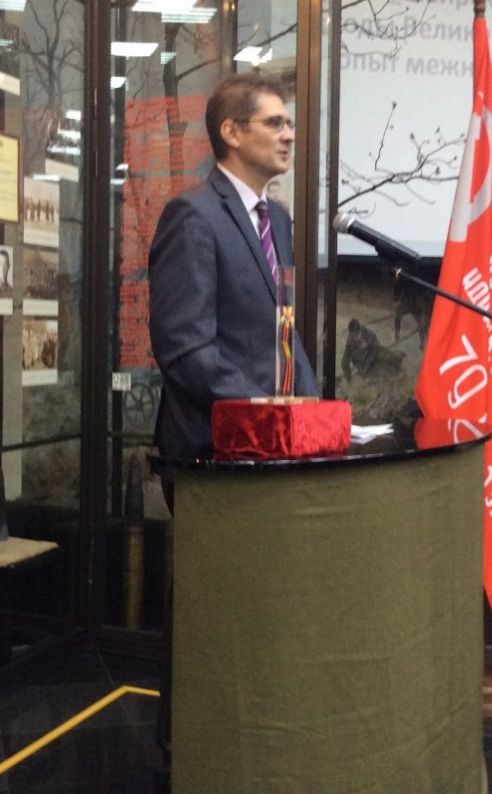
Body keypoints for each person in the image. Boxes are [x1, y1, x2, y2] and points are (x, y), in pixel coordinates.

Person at [147, 70, 320, 778]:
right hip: (212, 453)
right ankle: (186, 748)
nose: (288, 134)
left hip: (273, 452)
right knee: (210, 613)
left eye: (288, 122)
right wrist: (267, 414)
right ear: (231, 132)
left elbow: (282, 334)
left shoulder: (276, 222)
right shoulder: (193, 216)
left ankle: (254, 743)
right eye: (274, 122)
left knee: (261, 609)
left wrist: (315, 412)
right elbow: (184, 347)